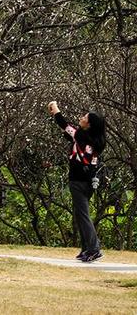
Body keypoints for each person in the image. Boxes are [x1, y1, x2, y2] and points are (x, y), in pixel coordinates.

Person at [48, 100, 106, 263]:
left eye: (84, 117)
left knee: (83, 215)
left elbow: (64, 124)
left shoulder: (81, 136)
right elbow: (69, 133)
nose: (81, 118)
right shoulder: (93, 141)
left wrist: (55, 109)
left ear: (89, 124)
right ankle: (86, 249)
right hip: (89, 181)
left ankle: (94, 249)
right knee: (81, 215)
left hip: (79, 180)